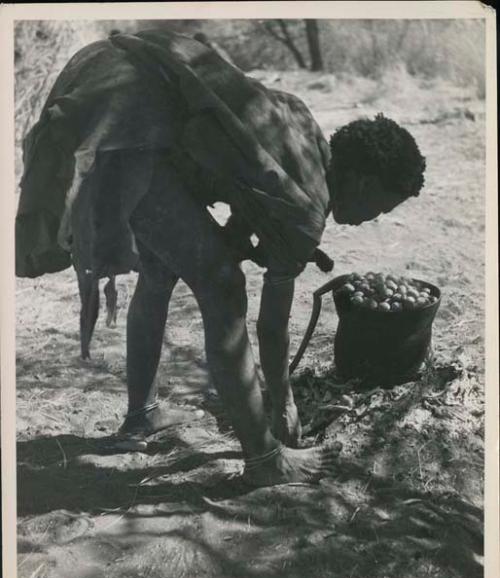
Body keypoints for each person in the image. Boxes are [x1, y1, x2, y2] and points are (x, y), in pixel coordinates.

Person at [16, 30, 426, 487]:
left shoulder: (302, 126)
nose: (374, 219)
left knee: (160, 270)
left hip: (115, 91)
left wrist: (230, 239)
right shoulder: (306, 211)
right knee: (224, 288)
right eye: (383, 208)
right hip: (130, 126)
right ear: (366, 184)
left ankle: (142, 417)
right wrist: (283, 402)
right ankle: (264, 460)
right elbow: (271, 328)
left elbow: (238, 169)